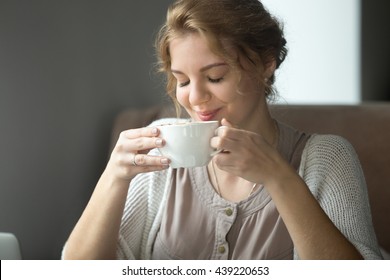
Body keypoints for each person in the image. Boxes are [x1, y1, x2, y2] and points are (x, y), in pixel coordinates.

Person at [62, 0, 382, 260]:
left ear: (266, 63)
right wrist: (114, 178)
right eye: (183, 81)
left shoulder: (326, 157)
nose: (195, 97)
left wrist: (278, 177)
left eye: (215, 77)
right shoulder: (159, 148)